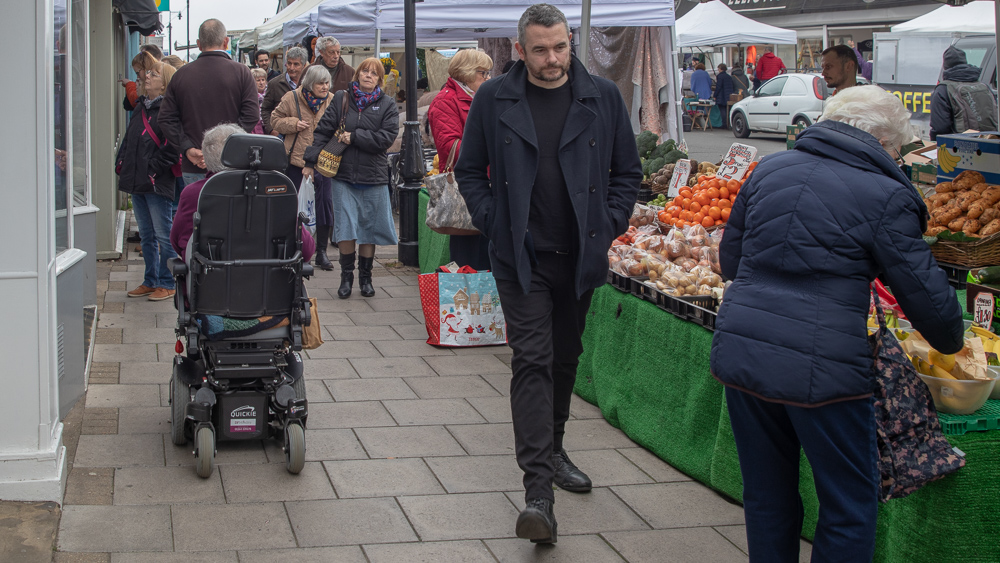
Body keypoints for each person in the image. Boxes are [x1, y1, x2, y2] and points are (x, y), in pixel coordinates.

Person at [710, 85, 964, 562]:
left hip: (744, 355)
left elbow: (731, 260)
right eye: (898, 148)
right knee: (849, 504)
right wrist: (953, 339)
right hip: (825, 371)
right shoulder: (888, 194)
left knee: (768, 496)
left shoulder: (769, 169)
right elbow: (932, 305)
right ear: (883, 142)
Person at [454, 4, 641, 544]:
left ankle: (554, 447)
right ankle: (538, 493)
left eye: (560, 47)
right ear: (520, 49)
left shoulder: (601, 97)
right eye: (540, 49)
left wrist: (608, 225)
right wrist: (493, 222)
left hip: (580, 255)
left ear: (570, 42)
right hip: (522, 258)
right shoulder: (495, 97)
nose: (552, 59)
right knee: (531, 360)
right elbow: (470, 170)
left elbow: (627, 173)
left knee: (565, 357)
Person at [303, 58, 399, 298]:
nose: (368, 75)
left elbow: (385, 139)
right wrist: (309, 162)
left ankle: (366, 278)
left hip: (374, 177)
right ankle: (346, 277)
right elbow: (323, 131)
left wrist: (354, 136)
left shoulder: (387, 104)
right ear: (357, 74)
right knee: (345, 229)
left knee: (370, 230)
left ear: (379, 79)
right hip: (343, 175)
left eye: (374, 73)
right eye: (364, 71)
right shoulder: (342, 98)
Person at [172, 123, 315, 262]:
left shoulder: (194, 194)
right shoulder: (278, 191)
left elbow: (179, 243)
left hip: (209, 282)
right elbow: (307, 251)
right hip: (272, 281)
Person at [159, 18, 260, 189]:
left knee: (195, 211)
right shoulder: (242, 72)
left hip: (195, 162)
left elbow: (166, 119)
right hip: (231, 162)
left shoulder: (181, 75)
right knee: (231, 214)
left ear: (199, 44)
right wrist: (227, 147)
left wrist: (188, 148)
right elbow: (251, 116)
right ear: (226, 41)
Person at [117, 61, 180, 302]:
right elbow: (130, 138)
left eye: (154, 74)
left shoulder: (168, 110)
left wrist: (152, 169)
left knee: (163, 234)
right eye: (148, 73)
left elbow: (173, 149)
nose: (147, 77)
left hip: (155, 182)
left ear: (164, 83)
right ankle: (151, 280)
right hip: (136, 178)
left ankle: (168, 282)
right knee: (146, 235)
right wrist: (121, 162)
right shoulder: (141, 107)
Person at [427, 48, 495, 271]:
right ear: (467, 72)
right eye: (483, 73)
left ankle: (486, 304)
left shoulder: (480, 98)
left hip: (487, 186)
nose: (488, 78)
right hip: (468, 188)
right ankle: (467, 304)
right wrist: (492, 149)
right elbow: (449, 147)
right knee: (470, 257)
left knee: (487, 255)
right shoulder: (445, 101)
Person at [271, 65, 336, 271]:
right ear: (310, 84)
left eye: (327, 83)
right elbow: (274, 120)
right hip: (296, 162)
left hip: (323, 162)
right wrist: (293, 123)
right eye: (320, 83)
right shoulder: (292, 98)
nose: (325, 87)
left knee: (324, 205)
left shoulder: (333, 99)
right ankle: (294, 249)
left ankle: (322, 252)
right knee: (294, 206)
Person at [930, 46, 999, 141]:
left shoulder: (943, 90)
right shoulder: (984, 87)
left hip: (960, 148)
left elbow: (940, 128)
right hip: (991, 144)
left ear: (945, 66)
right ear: (965, 62)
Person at [261, 46, 308, 135]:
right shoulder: (275, 84)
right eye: (289, 63)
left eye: (296, 64)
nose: (291, 67)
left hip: (302, 135)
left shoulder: (309, 85)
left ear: (304, 65)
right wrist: (271, 129)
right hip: (281, 134)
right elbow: (265, 109)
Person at [714, 63, 735, 129]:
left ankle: (724, 124)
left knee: (722, 110)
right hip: (728, 95)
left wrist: (715, 95)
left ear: (720, 69)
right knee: (728, 110)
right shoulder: (729, 77)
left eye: (718, 69)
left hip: (721, 95)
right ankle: (729, 124)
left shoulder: (720, 76)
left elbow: (718, 87)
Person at [250, 68, 268, 134]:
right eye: (258, 80)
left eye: (263, 80)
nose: (261, 83)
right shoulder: (250, 96)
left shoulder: (270, 94)